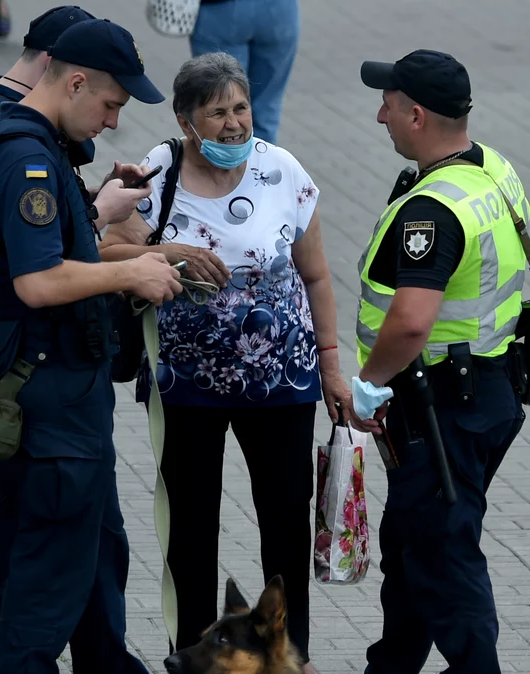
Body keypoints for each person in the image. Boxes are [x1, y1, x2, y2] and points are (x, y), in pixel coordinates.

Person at [97, 52, 345, 674]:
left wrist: (335, 368)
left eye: (241, 108)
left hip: (283, 383)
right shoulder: (155, 172)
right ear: (186, 122)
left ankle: (290, 660)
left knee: (286, 531)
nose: (234, 124)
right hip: (187, 387)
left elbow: (316, 276)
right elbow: (96, 245)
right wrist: (171, 250)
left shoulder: (281, 170)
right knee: (190, 534)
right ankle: (192, 662)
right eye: (217, 113)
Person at [0, 17, 181, 673]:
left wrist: (98, 211)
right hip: (52, 399)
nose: (113, 121)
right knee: (43, 587)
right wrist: (130, 271)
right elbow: (36, 279)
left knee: (82, 555)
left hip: (61, 394)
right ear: (76, 81)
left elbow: (53, 242)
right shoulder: (25, 155)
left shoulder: (38, 145)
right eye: (111, 103)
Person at [348, 49, 530, 674]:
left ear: (417, 115)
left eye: (390, 106)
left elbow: (411, 320)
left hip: (440, 407)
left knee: (444, 557)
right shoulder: (493, 170)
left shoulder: (432, 209)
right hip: (487, 391)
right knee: (413, 546)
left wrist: (366, 386)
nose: (381, 116)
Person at [0, 5, 147, 232]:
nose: (112, 122)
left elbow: (39, 207)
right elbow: (30, 241)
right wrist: (99, 214)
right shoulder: (14, 136)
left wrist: (97, 197)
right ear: (55, 63)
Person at [189, 0, 299, 144]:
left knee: (221, 104)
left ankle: (226, 163)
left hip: (220, 11)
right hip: (278, 10)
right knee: (266, 108)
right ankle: (262, 162)